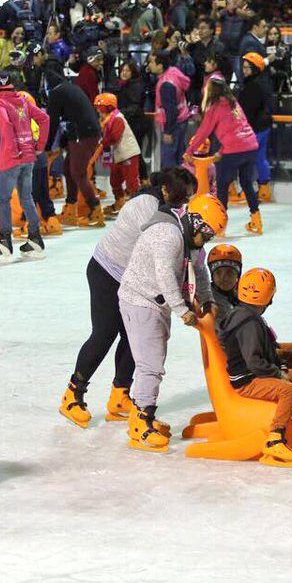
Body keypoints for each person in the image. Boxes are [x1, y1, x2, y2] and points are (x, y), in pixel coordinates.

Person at [59, 168, 197, 428]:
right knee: (104, 333)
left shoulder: (166, 208)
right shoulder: (148, 206)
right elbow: (162, 254)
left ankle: (120, 395)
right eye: (183, 197)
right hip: (106, 272)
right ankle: (72, 394)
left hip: (130, 279)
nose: (185, 204)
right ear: (167, 190)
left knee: (136, 335)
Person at [118, 204, 223, 452]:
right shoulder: (168, 234)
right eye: (206, 235)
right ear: (196, 223)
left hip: (156, 302)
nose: (206, 241)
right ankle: (140, 425)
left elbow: (199, 269)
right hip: (140, 300)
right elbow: (164, 273)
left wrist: (208, 299)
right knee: (151, 365)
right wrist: (182, 310)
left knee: (154, 361)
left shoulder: (191, 240)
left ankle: (141, 414)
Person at [218, 267, 292, 467]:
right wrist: (278, 373)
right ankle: (276, 438)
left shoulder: (247, 315)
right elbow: (254, 362)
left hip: (256, 373)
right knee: (288, 390)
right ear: (269, 297)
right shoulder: (248, 323)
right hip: (248, 381)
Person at [0, 70, 50, 259]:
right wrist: (39, 146)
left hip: (11, 158)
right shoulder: (22, 99)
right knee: (26, 197)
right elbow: (44, 119)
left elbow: (5, 126)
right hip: (29, 156)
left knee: (3, 199)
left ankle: (5, 241)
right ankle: (35, 238)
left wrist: (13, 150)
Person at [185, 78, 262, 234]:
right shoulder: (234, 103)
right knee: (247, 183)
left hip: (234, 150)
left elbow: (203, 132)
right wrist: (221, 151)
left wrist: (189, 151)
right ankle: (257, 220)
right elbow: (239, 127)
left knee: (222, 186)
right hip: (251, 146)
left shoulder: (214, 108)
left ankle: (219, 225)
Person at [46, 78, 104, 227]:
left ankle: (95, 209)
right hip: (84, 132)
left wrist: (47, 146)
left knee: (78, 172)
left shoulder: (55, 93)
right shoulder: (69, 88)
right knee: (68, 168)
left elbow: (51, 122)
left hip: (83, 134)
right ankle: (71, 209)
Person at [95, 93, 142, 215]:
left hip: (128, 153)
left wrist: (102, 143)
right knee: (115, 180)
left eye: (101, 106)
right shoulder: (106, 118)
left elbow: (114, 137)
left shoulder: (117, 118)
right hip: (118, 154)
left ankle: (136, 208)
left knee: (131, 182)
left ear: (109, 106)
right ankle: (119, 203)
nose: (98, 109)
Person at [238, 52, 274, 204]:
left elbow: (248, 110)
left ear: (255, 68)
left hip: (255, 128)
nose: (244, 70)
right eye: (243, 67)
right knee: (259, 158)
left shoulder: (252, 85)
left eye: (247, 68)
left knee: (251, 159)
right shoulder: (260, 82)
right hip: (262, 126)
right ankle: (264, 189)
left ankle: (253, 190)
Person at [149, 50, 193, 169]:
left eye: (152, 62)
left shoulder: (166, 84)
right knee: (179, 157)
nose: (149, 65)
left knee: (169, 160)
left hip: (173, 125)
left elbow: (171, 110)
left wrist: (168, 132)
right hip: (182, 119)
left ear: (160, 66)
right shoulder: (174, 72)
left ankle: (171, 185)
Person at [127, 0, 164, 64]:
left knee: (146, 67)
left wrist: (149, 34)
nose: (143, 0)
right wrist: (129, 0)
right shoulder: (133, 9)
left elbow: (160, 30)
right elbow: (120, 11)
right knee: (133, 68)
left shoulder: (155, 10)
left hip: (148, 44)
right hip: (133, 43)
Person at [237, 16, 269, 82]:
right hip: (253, 83)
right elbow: (252, 65)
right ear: (255, 27)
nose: (266, 29)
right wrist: (269, 59)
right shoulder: (250, 42)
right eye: (263, 26)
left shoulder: (251, 40)